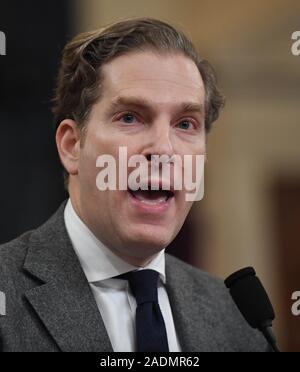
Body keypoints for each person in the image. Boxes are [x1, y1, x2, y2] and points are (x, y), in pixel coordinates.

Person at [0, 17, 268, 352]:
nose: (163, 149)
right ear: (72, 146)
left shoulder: (235, 315)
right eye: (130, 117)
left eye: (186, 123)